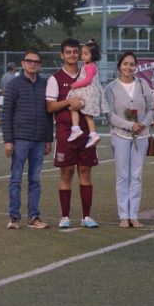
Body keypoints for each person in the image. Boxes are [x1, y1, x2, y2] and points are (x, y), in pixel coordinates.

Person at [46, 38, 100, 229]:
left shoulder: (88, 72)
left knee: (85, 171)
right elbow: (50, 106)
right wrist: (70, 102)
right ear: (62, 55)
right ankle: (65, 216)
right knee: (66, 172)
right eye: (67, 52)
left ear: (80, 53)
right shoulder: (55, 78)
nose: (72, 55)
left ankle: (87, 216)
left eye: (75, 51)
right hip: (65, 133)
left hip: (86, 132)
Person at [104, 52, 154, 228]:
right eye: (125, 64)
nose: (129, 67)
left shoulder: (143, 84)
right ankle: (123, 215)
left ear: (136, 66)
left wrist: (143, 123)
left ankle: (134, 214)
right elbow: (109, 114)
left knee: (136, 176)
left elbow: (152, 108)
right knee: (122, 175)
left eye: (132, 64)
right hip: (120, 136)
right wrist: (128, 125)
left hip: (141, 136)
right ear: (119, 66)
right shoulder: (111, 88)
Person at [2, 51, 51, 229]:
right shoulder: (14, 84)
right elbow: (6, 114)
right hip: (20, 139)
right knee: (15, 179)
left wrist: (48, 139)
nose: (33, 64)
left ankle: (34, 216)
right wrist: (8, 141)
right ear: (23, 63)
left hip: (39, 139)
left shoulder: (45, 84)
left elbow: (48, 113)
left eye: (36, 62)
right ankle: (14, 217)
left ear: (40, 64)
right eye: (29, 61)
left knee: (35, 180)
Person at [66, 40, 105, 148]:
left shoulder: (89, 66)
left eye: (86, 54)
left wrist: (75, 85)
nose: (82, 56)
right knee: (88, 116)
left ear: (93, 55)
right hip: (90, 92)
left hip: (87, 92)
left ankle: (76, 128)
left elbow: (88, 80)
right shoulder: (90, 64)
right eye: (82, 53)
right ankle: (93, 134)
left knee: (73, 106)